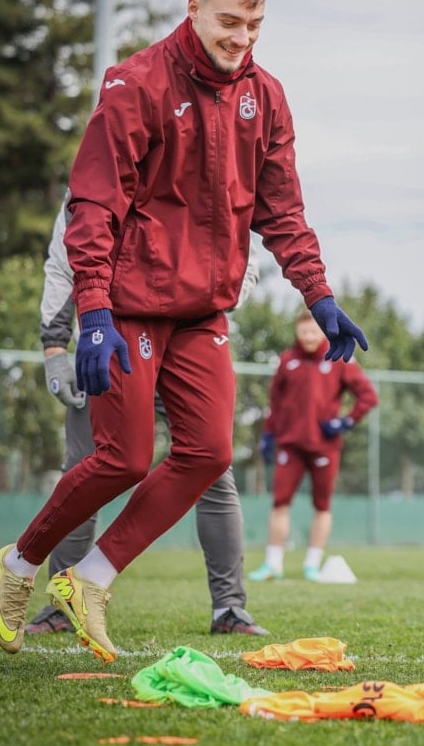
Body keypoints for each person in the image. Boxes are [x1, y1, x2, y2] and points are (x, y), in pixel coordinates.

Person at [0, 0, 367, 663]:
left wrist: (318, 294)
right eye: (229, 22)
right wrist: (92, 311)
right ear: (194, 9)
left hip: (203, 311)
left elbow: (283, 211)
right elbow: (92, 206)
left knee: (208, 452)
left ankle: (90, 580)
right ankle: (20, 561)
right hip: (129, 305)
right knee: (122, 459)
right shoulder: (136, 82)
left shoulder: (267, 97)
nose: (242, 38)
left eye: (254, 25)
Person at [25, 200, 268, 637]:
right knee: (88, 468)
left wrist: (195, 305)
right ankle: (60, 603)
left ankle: (229, 607)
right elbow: (64, 263)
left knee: (212, 466)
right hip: (110, 346)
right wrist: (55, 347)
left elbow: (242, 258)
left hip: (183, 347)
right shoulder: (90, 188)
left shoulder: (213, 179)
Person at [249, 309, 378, 581]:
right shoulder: (287, 360)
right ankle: (273, 564)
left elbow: (367, 396)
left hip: (324, 447)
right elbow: (275, 403)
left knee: (322, 505)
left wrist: (346, 422)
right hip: (290, 445)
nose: (308, 336)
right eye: (304, 331)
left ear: (322, 331)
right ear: (297, 331)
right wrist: (268, 434)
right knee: (280, 503)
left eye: (313, 331)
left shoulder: (338, 358)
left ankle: (312, 565)